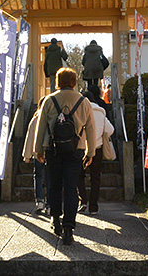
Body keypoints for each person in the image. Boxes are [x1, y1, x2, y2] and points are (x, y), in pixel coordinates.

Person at [35, 67, 96, 245]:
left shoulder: (49, 100)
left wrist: (38, 149)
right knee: (71, 187)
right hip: (76, 150)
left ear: (57, 81)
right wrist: (90, 152)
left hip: (53, 149)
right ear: (74, 82)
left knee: (54, 185)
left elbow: (40, 128)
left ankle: (55, 219)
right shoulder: (83, 101)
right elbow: (91, 128)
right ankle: (69, 226)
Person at [77, 91, 114, 215]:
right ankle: (94, 206)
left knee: (79, 176)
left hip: (81, 148)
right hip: (97, 148)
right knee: (95, 178)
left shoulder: (80, 110)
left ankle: (83, 201)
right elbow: (111, 129)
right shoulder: (101, 112)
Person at [22, 97, 48, 213]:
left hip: (37, 153)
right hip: (49, 152)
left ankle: (39, 201)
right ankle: (49, 203)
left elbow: (29, 138)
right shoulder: (51, 118)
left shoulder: (35, 119)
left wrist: (27, 156)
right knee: (50, 178)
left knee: (38, 176)